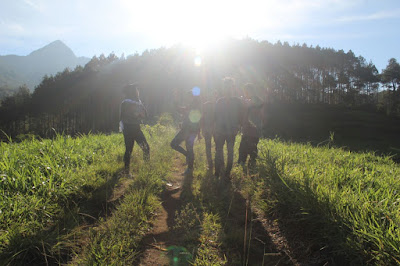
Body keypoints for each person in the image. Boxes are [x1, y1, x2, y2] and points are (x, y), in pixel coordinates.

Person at [214, 77, 245, 178]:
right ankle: (217, 172)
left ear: (233, 88)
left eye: (230, 86)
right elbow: (215, 116)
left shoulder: (237, 101)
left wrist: (238, 127)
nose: (227, 89)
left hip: (232, 131)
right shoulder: (219, 101)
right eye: (225, 86)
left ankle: (227, 174)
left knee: (230, 153)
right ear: (223, 87)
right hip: (220, 131)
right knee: (218, 151)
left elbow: (241, 116)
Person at [120, 83, 150, 174]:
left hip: (134, 128)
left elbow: (145, 115)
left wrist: (140, 114)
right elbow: (135, 115)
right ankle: (127, 171)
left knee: (144, 148)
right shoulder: (127, 102)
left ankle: (145, 169)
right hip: (130, 129)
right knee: (134, 149)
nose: (138, 92)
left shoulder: (135, 102)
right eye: (137, 90)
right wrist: (139, 114)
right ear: (133, 91)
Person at [170, 88, 202, 175]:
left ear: (192, 97)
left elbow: (197, 119)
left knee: (175, 144)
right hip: (188, 130)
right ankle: (189, 163)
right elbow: (181, 110)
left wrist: (198, 133)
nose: (187, 98)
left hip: (189, 131)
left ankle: (190, 168)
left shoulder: (194, 105)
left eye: (188, 97)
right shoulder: (191, 105)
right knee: (187, 148)